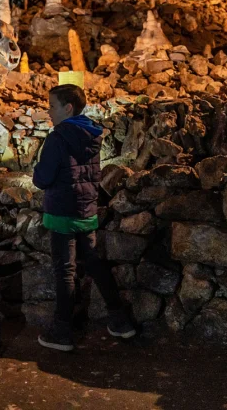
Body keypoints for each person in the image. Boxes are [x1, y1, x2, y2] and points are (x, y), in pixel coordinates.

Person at [33, 84, 136, 352]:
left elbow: (42, 178)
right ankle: (120, 321)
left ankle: (62, 331)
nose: (48, 111)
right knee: (94, 263)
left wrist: (37, 171)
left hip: (62, 213)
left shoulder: (58, 138)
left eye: (52, 106)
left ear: (68, 108)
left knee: (65, 271)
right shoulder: (92, 134)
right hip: (86, 210)